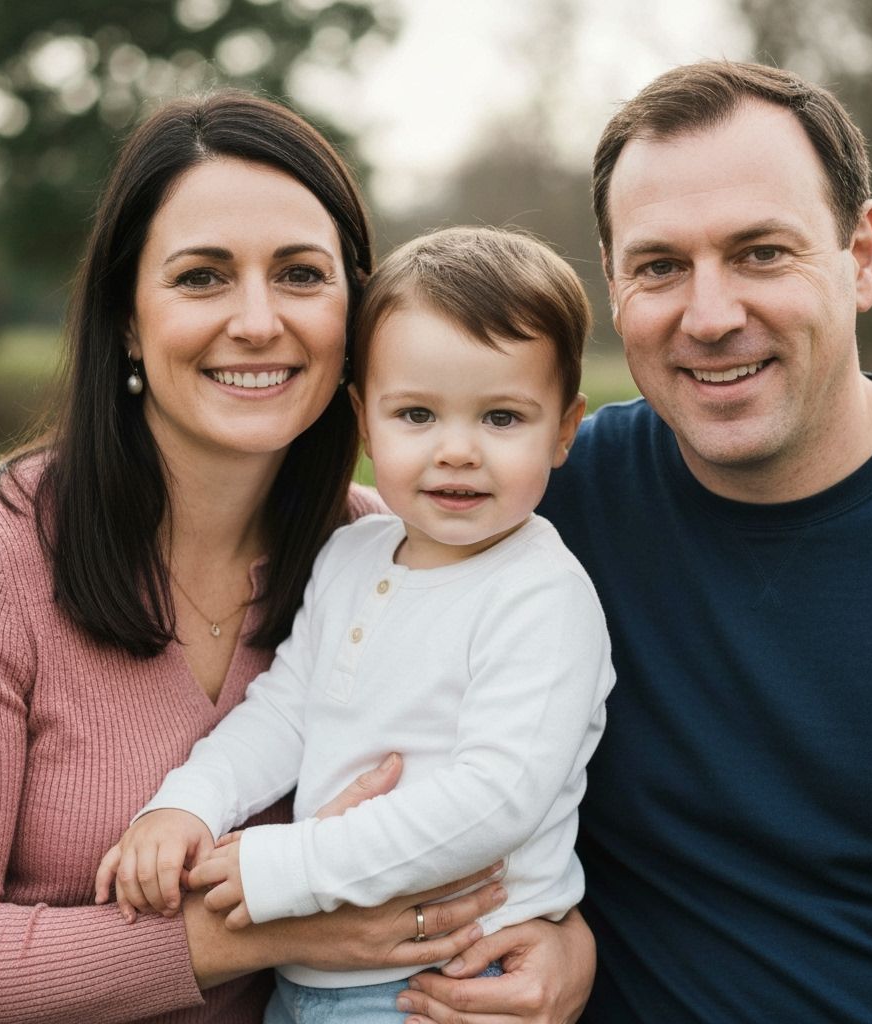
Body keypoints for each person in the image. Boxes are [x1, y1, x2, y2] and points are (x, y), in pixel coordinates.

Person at [0, 94, 569, 1023]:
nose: (258, 321)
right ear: (129, 320)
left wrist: (563, 947)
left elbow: (521, 796)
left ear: (357, 315)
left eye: (301, 275)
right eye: (201, 277)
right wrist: (269, 928)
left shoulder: (400, 553)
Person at [94, 226, 615, 1023]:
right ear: (365, 422)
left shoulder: (542, 596)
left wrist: (291, 868)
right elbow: (285, 709)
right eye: (416, 414)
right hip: (307, 981)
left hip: (444, 984)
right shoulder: (353, 552)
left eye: (503, 418)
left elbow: (495, 799)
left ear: (566, 427)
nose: (457, 451)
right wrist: (188, 805)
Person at [525, 60, 872, 1023]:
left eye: (760, 252)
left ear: (863, 254)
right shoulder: (548, 506)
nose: (709, 317)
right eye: (660, 265)